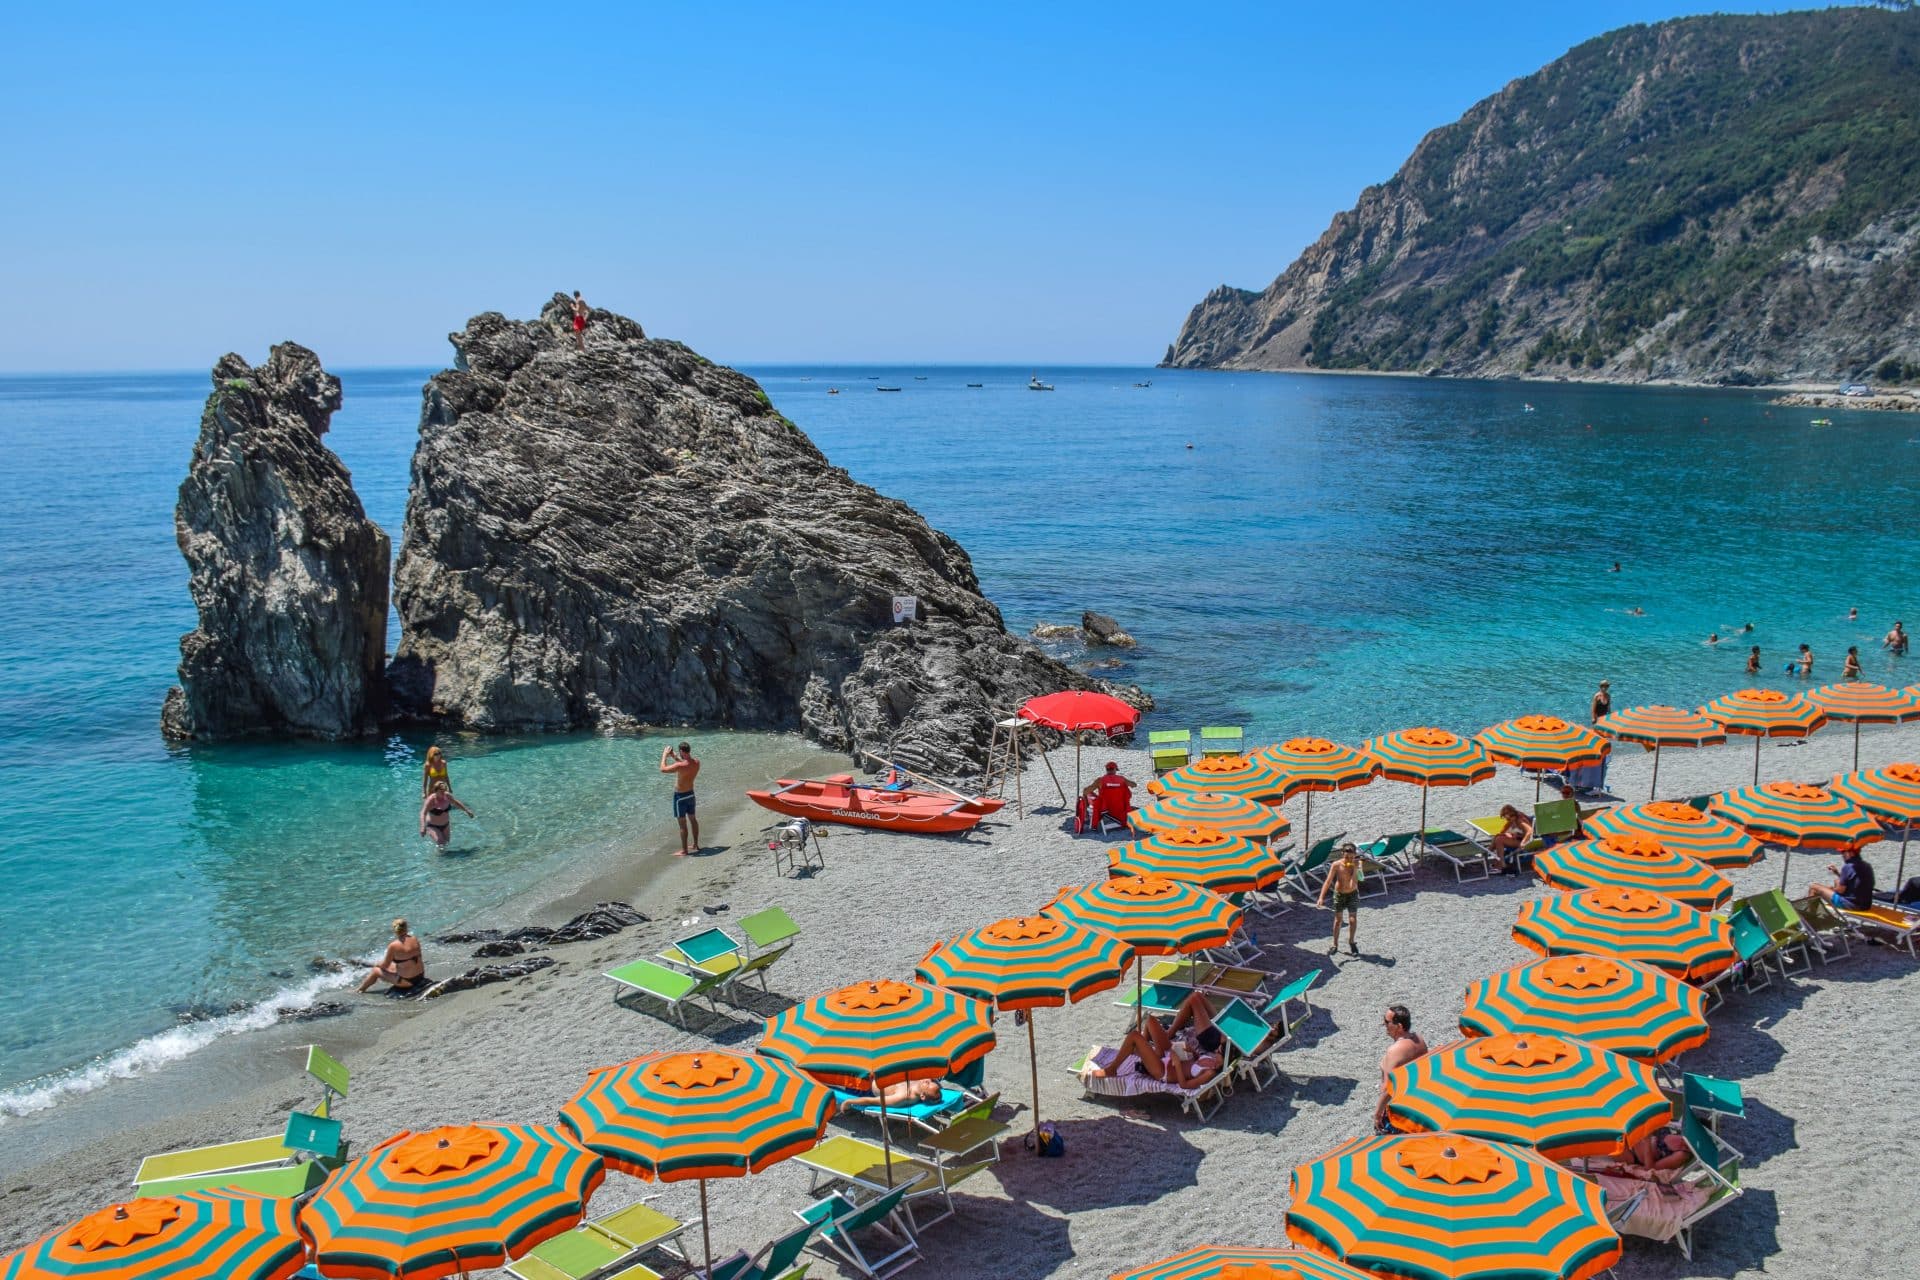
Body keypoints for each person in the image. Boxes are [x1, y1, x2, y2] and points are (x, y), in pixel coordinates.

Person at [1082, 990, 1225, 1088]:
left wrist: (1177, 1064)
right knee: (1150, 1020)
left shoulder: (1209, 1073)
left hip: (1163, 1071)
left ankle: (1112, 1069)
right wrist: (1191, 1050)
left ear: (1222, 1060)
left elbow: (1184, 1085)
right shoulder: (1211, 1060)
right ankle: (1141, 1053)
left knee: (1134, 1036)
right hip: (1170, 1056)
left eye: (1219, 1051)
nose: (1216, 1051)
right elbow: (1197, 1058)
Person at [1374, 1004, 1428, 1133]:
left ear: (1399, 1026)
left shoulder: (1394, 1051)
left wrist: (1378, 1113)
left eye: (1387, 1022)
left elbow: (1388, 1088)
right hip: (1418, 1102)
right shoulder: (1419, 1039)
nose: (1384, 1025)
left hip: (1398, 1109)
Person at [1316, 842, 1363, 956]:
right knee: (1338, 921)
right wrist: (1321, 897)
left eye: (1351, 857)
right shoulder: (1336, 865)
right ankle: (1335, 944)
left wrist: (1356, 868)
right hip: (1339, 894)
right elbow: (1328, 881)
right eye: (1347, 857)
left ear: (1355, 855)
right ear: (1342, 854)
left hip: (1352, 893)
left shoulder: (1357, 864)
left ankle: (1351, 941)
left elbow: (1354, 884)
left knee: (1352, 919)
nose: (1349, 859)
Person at [359, 918, 425, 993]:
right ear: (406, 928)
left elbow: (385, 965)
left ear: (394, 930)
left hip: (407, 982)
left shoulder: (393, 945)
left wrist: (377, 964)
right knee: (394, 965)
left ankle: (360, 990)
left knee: (375, 970)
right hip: (420, 976)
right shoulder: (414, 939)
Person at [661, 741, 701, 855]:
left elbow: (663, 769)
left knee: (682, 825)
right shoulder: (697, 762)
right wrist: (674, 756)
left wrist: (665, 755)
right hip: (691, 794)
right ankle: (695, 844)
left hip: (680, 797)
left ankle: (684, 851)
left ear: (682, 752)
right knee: (693, 820)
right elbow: (685, 764)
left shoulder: (680, 766)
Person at [1809, 848, 1876, 911]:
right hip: (1865, 905)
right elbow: (1854, 881)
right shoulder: (1867, 865)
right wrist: (1837, 873)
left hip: (1852, 905)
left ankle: (1811, 916)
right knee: (1834, 883)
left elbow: (1840, 891)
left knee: (1814, 887)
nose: (1842, 855)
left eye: (1843, 852)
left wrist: (1832, 889)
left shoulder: (1848, 866)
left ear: (1852, 853)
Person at [1080, 761, 1135, 831]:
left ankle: (1086, 816)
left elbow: (1086, 791)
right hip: (1120, 809)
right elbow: (1134, 785)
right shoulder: (1122, 779)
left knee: (1086, 791)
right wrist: (1122, 783)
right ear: (1115, 769)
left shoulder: (1100, 780)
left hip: (1105, 809)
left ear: (1106, 770)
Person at [419, 779, 474, 848]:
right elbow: (423, 813)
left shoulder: (447, 796)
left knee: (446, 844)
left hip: (446, 825)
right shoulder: (431, 800)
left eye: (444, 790)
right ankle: (437, 858)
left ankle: (442, 857)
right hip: (433, 826)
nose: (443, 792)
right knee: (441, 843)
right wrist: (423, 827)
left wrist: (467, 811)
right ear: (436, 790)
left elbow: (456, 803)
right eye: (441, 790)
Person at [1488, 804, 1533, 874]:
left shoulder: (1520, 820)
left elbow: (1530, 831)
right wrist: (1502, 834)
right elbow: (1504, 829)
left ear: (1511, 815)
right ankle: (1490, 858)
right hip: (1519, 839)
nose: (1507, 820)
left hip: (1526, 842)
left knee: (1499, 840)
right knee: (1498, 837)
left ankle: (1501, 866)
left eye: (1507, 818)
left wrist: (1523, 842)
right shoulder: (1514, 817)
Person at [846, 1078, 944, 1109]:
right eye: (931, 1081)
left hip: (862, 1084)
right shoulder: (919, 1083)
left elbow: (872, 1101)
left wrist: (849, 1101)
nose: (927, 1080)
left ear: (922, 1096)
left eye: (927, 1084)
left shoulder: (903, 1097)